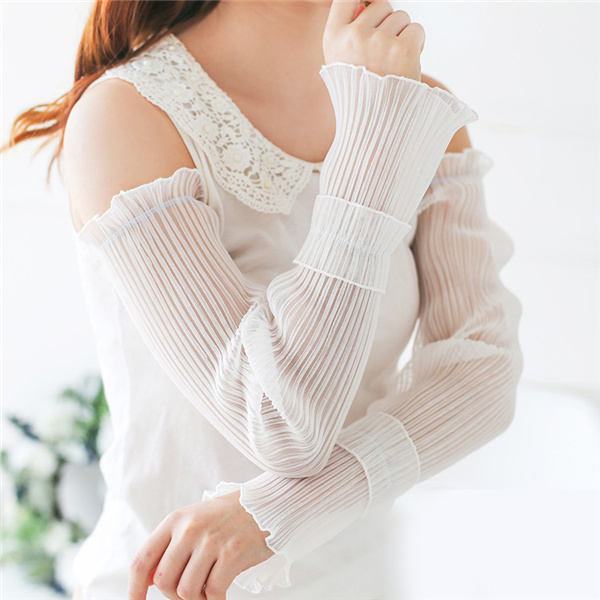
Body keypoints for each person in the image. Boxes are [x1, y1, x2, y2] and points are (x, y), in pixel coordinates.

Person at [2, 0, 524, 598]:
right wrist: (372, 128)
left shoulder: (416, 99)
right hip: (184, 581)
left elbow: (484, 374)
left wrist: (276, 514)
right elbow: (282, 422)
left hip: (362, 573)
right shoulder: (128, 112)